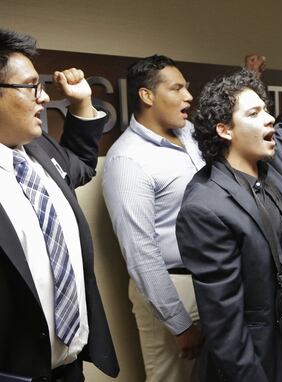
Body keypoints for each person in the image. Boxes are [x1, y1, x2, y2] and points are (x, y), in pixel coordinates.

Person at [175, 19, 282, 382]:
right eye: (253, 114)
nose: (269, 118)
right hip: (255, 356)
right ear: (224, 130)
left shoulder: (273, 163)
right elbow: (225, 324)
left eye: (265, 109)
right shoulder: (205, 207)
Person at [0, 29, 118, 380]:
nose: (43, 99)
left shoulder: (39, 149)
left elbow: (79, 165)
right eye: (31, 86)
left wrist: (82, 104)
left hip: (69, 370)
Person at [102, 55, 204, 381]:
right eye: (177, 88)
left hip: (213, 281)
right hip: (175, 290)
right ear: (147, 96)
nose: (188, 96)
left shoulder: (189, 135)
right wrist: (179, 323)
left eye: (187, 87)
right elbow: (140, 250)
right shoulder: (128, 159)